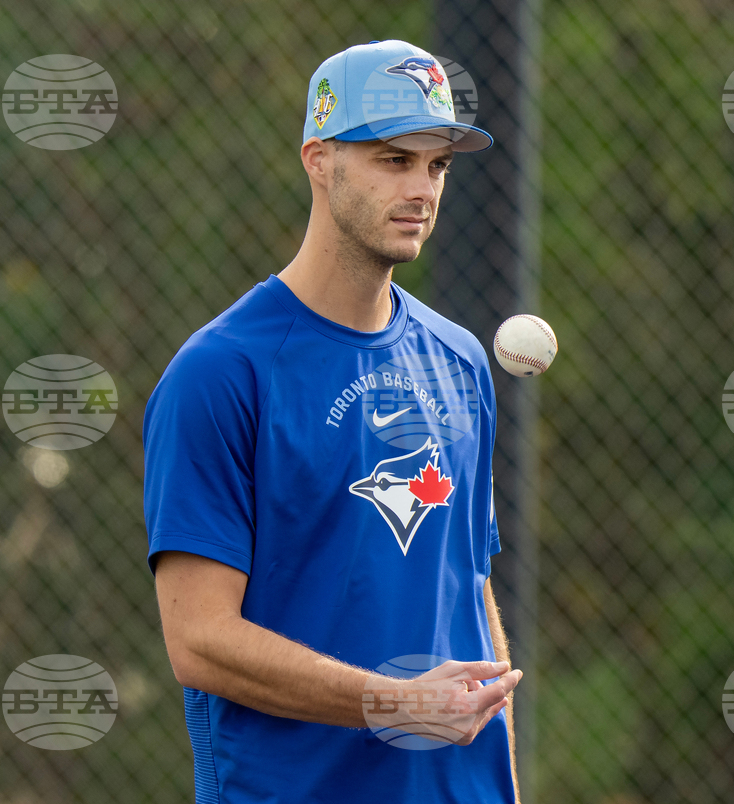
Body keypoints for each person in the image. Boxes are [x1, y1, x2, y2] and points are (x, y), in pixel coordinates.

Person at [143, 39, 522, 803]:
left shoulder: (460, 360)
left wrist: (500, 780)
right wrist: (397, 704)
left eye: (437, 165)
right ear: (319, 159)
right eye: (392, 159)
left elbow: (470, 588)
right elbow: (199, 643)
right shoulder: (221, 372)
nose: (422, 188)